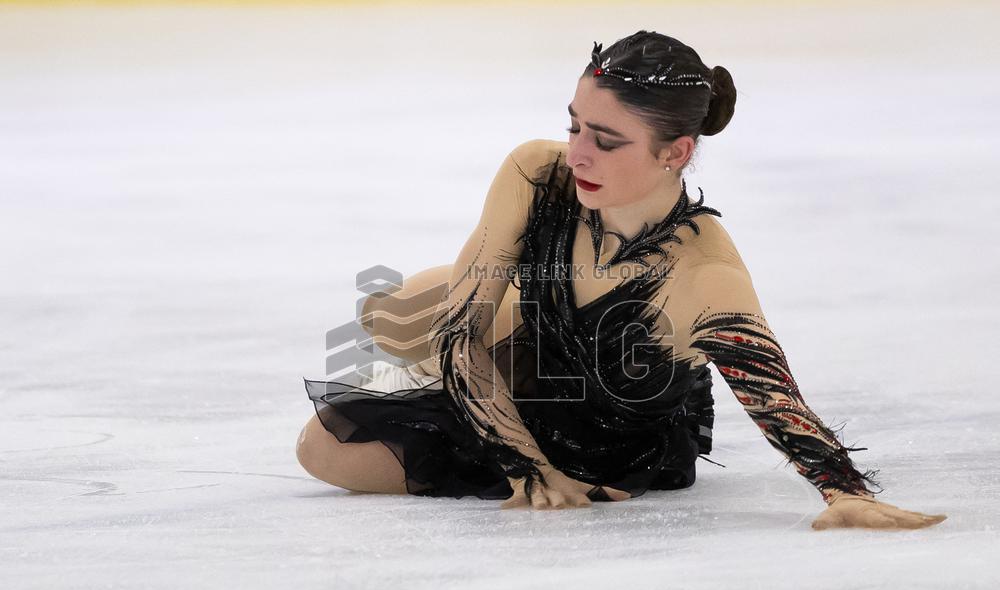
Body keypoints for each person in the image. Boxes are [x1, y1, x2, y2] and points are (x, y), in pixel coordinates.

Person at [298, 31, 946, 530]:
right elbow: (458, 336)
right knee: (390, 314)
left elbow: (779, 403)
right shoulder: (538, 175)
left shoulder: (705, 278)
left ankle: (502, 334)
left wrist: (846, 492)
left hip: (609, 428)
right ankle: (503, 325)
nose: (577, 152)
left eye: (606, 141)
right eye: (574, 125)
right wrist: (524, 467)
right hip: (538, 337)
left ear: (676, 152)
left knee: (322, 449)